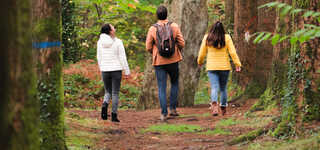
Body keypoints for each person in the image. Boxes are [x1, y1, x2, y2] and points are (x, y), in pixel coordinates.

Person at [146, 6, 185, 121]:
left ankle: (163, 113)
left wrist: (154, 52)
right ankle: (173, 109)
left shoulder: (152, 29)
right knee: (174, 83)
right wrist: (177, 51)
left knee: (161, 87)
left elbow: (148, 46)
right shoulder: (174, 26)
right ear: (167, 14)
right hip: (173, 60)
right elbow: (182, 42)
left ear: (157, 16)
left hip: (159, 62)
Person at [197, 21, 241, 116]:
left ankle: (214, 104)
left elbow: (201, 53)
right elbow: (232, 52)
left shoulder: (207, 38)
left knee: (214, 87)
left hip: (212, 67)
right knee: (223, 88)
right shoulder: (227, 38)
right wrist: (237, 64)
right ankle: (223, 106)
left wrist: (200, 62)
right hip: (224, 67)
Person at [97, 23, 130, 122]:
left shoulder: (99, 42)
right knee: (115, 93)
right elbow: (122, 58)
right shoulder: (118, 42)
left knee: (108, 91)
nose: (114, 29)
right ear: (110, 31)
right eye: (113, 28)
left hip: (105, 70)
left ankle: (104, 107)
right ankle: (114, 116)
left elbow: (99, 57)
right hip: (116, 70)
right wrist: (127, 71)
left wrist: (101, 68)